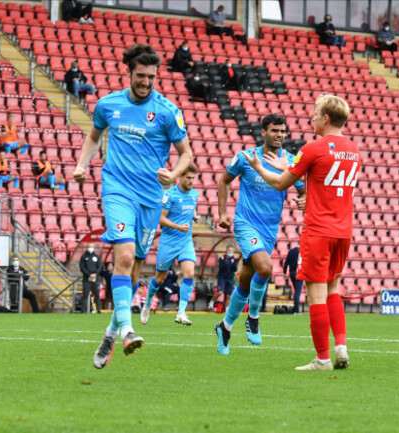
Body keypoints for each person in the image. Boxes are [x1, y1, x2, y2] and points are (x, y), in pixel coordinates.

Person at [73, 43, 193, 369]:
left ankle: (110, 333)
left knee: (136, 270)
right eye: (140, 75)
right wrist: (83, 164)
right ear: (128, 71)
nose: (146, 82)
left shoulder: (167, 111)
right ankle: (127, 330)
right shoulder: (108, 104)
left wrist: (174, 174)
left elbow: (187, 154)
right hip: (117, 190)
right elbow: (94, 137)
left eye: (151, 77)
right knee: (123, 256)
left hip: (151, 198)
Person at [243, 93, 359, 371]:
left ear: (326, 118)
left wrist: (259, 167)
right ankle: (340, 346)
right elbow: (323, 180)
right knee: (334, 288)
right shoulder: (353, 148)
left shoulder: (313, 148)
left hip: (318, 230)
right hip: (343, 230)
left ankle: (322, 359)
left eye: (316, 114)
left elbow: (282, 184)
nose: (312, 119)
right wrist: (294, 169)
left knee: (315, 293)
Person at [214, 113, 305, 355]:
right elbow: (224, 181)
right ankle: (253, 317)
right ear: (263, 132)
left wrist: (305, 199)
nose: (280, 135)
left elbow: (305, 188)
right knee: (266, 269)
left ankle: (224, 326)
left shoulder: (290, 162)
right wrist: (222, 213)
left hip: (269, 230)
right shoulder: (245, 158)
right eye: (275, 130)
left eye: (283, 131)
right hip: (245, 224)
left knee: (245, 281)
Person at [141, 165, 200, 326]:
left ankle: (181, 312)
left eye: (193, 178)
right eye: (188, 178)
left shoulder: (195, 195)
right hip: (169, 241)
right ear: (179, 177)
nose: (191, 181)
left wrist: (194, 217)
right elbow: (161, 219)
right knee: (160, 278)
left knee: (189, 274)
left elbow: (191, 209)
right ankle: (147, 304)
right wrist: (178, 227)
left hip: (185, 241)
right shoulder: (169, 196)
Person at [79, 243, 102, 314]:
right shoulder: (83, 257)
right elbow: (82, 267)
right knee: (85, 295)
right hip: (86, 279)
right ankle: (83, 310)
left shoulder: (97, 257)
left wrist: (95, 274)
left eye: (91, 247)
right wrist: (89, 274)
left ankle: (98, 310)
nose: (90, 248)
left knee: (97, 295)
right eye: (89, 246)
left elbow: (99, 267)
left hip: (96, 279)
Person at [283, 245, 303, 314]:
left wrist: (285, 272)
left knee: (296, 291)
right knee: (297, 292)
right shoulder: (301, 252)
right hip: (299, 273)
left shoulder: (291, 251)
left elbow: (286, 263)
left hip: (292, 273)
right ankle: (296, 310)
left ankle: (296, 308)